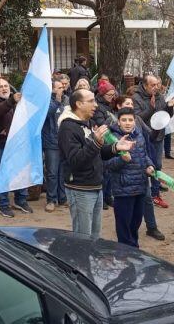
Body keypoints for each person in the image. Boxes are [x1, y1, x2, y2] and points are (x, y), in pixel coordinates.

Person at [58, 89, 133, 238]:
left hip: (96, 186)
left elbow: (98, 153)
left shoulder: (89, 123)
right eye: (91, 101)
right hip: (80, 189)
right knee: (83, 236)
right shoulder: (67, 128)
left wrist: (115, 147)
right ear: (79, 104)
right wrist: (95, 142)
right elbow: (76, 160)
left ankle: (89, 261)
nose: (96, 105)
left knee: (94, 235)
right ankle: (80, 261)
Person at [118, 95, 165, 241]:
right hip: (124, 181)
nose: (131, 106)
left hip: (141, 176)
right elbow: (109, 160)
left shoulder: (137, 120)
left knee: (146, 201)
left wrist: (158, 126)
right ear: (119, 107)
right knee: (126, 216)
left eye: (132, 103)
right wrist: (122, 158)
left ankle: (151, 227)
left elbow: (149, 137)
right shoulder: (112, 126)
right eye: (127, 103)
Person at [105, 108, 154, 247]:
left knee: (136, 222)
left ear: (135, 121)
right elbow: (108, 165)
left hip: (141, 186)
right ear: (118, 122)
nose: (127, 123)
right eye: (124, 120)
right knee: (124, 226)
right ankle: (125, 254)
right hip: (123, 189)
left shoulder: (139, 135)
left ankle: (134, 249)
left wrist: (150, 166)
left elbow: (144, 155)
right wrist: (123, 160)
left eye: (130, 120)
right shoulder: (111, 138)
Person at [0, 78, 32, 217]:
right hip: (2, 146)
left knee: (20, 173)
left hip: (19, 145)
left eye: (6, 85)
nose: (4, 88)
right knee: (4, 176)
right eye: (0, 86)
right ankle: (3, 204)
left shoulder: (17, 103)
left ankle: (20, 200)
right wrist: (11, 101)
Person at [132, 74, 174, 209]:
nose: (156, 87)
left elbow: (165, 116)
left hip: (158, 136)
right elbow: (137, 118)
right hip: (143, 138)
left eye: (157, 84)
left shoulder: (159, 96)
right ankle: (142, 194)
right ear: (145, 85)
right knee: (144, 166)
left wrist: (169, 107)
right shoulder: (136, 98)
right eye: (153, 85)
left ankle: (155, 194)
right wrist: (150, 108)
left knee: (157, 165)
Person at [43, 79, 68, 212]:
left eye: (62, 87)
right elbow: (47, 114)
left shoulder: (66, 100)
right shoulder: (46, 100)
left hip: (63, 142)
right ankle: (51, 200)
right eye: (58, 87)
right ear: (52, 89)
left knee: (62, 172)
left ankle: (62, 198)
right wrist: (57, 101)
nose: (61, 89)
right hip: (51, 142)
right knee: (52, 172)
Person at [93, 81, 117, 209]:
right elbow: (101, 124)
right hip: (103, 141)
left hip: (111, 140)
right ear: (102, 94)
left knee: (109, 172)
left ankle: (109, 196)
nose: (111, 96)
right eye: (109, 94)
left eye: (113, 94)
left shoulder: (109, 105)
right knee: (104, 172)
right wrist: (111, 120)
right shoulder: (97, 106)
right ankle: (102, 199)